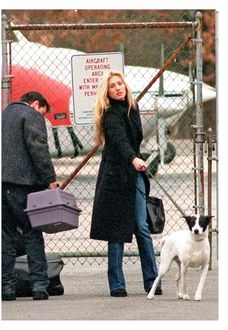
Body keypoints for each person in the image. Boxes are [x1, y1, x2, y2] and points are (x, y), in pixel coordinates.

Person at [90, 71, 162, 297]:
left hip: (134, 175)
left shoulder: (133, 109)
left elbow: (133, 140)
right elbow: (120, 141)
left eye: (120, 84)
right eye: (113, 86)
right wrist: (133, 158)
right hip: (115, 178)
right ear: (108, 92)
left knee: (141, 227)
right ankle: (117, 284)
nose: (118, 88)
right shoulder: (110, 114)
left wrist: (136, 160)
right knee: (116, 232)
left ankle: (152, 281)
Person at [2, 91, 59, 301]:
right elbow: (38, 148)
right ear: (36, 104)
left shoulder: (3, 115)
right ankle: (39, 285)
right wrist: (50, 178)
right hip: (24, 185)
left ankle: (6, 288)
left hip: (0, 183)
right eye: (43, 112)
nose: (42, 117)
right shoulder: (31, 115)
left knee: (5, 236)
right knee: (32, 232)